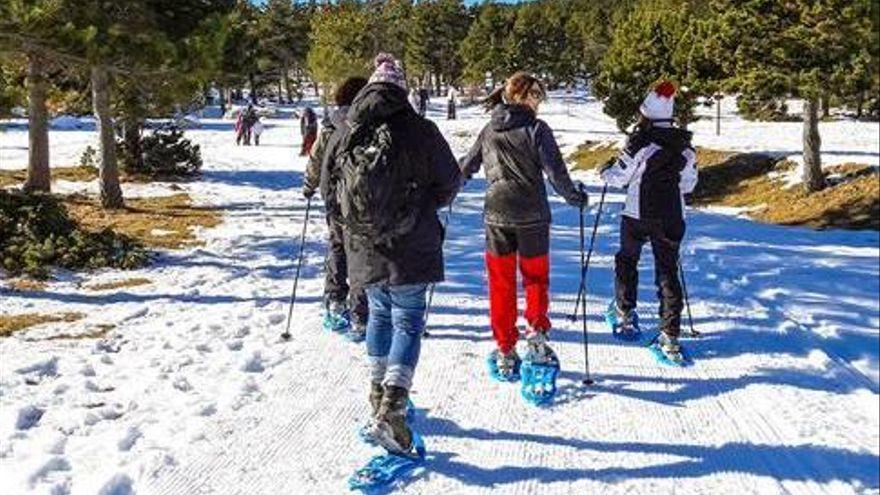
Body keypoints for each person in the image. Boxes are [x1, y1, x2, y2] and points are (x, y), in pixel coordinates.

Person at [325, 53, 460, 456]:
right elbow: (450, 181)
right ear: (401, 89)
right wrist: (423, 206)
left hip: (364, 244)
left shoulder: (349, 128)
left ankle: (376, 393)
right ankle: (393, 410)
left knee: (380, 315)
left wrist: (350, 231)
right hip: (410, 245)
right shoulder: (421, 129)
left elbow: (330, 189)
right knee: (408, 321)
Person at [460, 72, 588, 382]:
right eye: (536, 95)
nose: (539, 101)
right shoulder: (536, 129)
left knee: (501, 283)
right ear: (520, 96)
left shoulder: (490, 129)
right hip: (532, 217)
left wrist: (447, 188)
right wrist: (575, 197)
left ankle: (505, 348)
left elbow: (467, 165)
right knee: (535, 279)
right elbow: (556, 173)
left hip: (497, 217)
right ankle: (537, 334)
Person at [600, 81, 698, 363]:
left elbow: (620, 176)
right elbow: (689, 185)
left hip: (637, 212)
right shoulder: (685, 146)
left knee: (627, 259)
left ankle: (624, 312)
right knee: (667, 270)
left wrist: (605, 171)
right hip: (671, 215)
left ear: (645, 113)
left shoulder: (640, 141)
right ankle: (670, 336)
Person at [303, 76, 370, 342]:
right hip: (358, 199)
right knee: (360, 254)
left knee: (337, 247)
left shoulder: (331, 125)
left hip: (332, 197)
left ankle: (334, 300)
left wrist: (309, 185)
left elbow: (316, 158)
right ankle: (360, 312)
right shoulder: (366, 124)